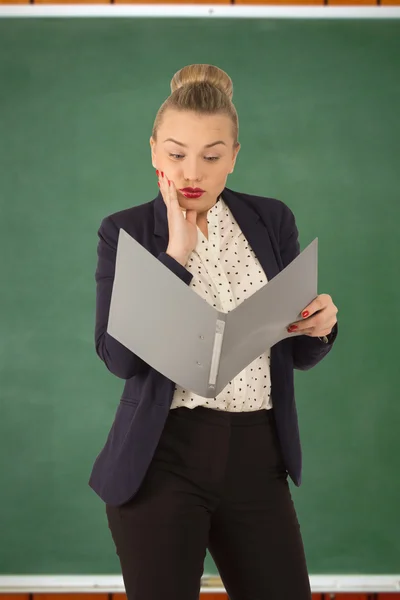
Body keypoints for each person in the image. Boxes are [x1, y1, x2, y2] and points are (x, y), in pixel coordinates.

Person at [88, 63, 338, 600]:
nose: (191, 172)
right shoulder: (125, 231)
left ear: (234, 156)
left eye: (211, 155)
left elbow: (292, 354)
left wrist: (319, 328)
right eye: (176, 154)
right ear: (154, 151)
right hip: (162, 456)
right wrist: (174, 258)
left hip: (257, 454)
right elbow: (119, 360)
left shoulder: (271, 220)